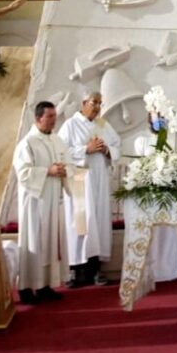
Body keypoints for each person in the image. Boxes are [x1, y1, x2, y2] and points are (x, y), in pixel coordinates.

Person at [58, 91, 121, 287]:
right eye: (94, 103)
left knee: (99, 221)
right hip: (78, 179)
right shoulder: (70, 125)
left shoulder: (102, 124)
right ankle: (76, 271)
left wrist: (106, 150)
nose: (97, 107)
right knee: (80, 222)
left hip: (99, 178)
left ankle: (96, 270)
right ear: (84, 102)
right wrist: (86, 149)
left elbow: (116, 144)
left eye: (100, 104)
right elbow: (61, 151)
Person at [13, 101, 69, 304]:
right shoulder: (27, 143)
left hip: (53, 201)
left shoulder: (57, 140)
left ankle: (45, 286)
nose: (54, 120)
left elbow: (69, 163)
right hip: (35, 202)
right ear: (38, 118)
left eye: (55, 115)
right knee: (34, 241)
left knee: (49, 244)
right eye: (50, 116)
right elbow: (23, 173)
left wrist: (65, 170)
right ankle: (27, 288)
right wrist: (48, 171)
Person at [132, 112, 177, 282]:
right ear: (149, 120)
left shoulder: (174, 142)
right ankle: (151, 269)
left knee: (168, 231)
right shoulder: (142, 141)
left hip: (168, 193)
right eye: (157, 117)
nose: (160, 121)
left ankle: (170, 269)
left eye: (163, 118)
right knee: (152, 232)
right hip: (150, 193)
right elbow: (140, 166)